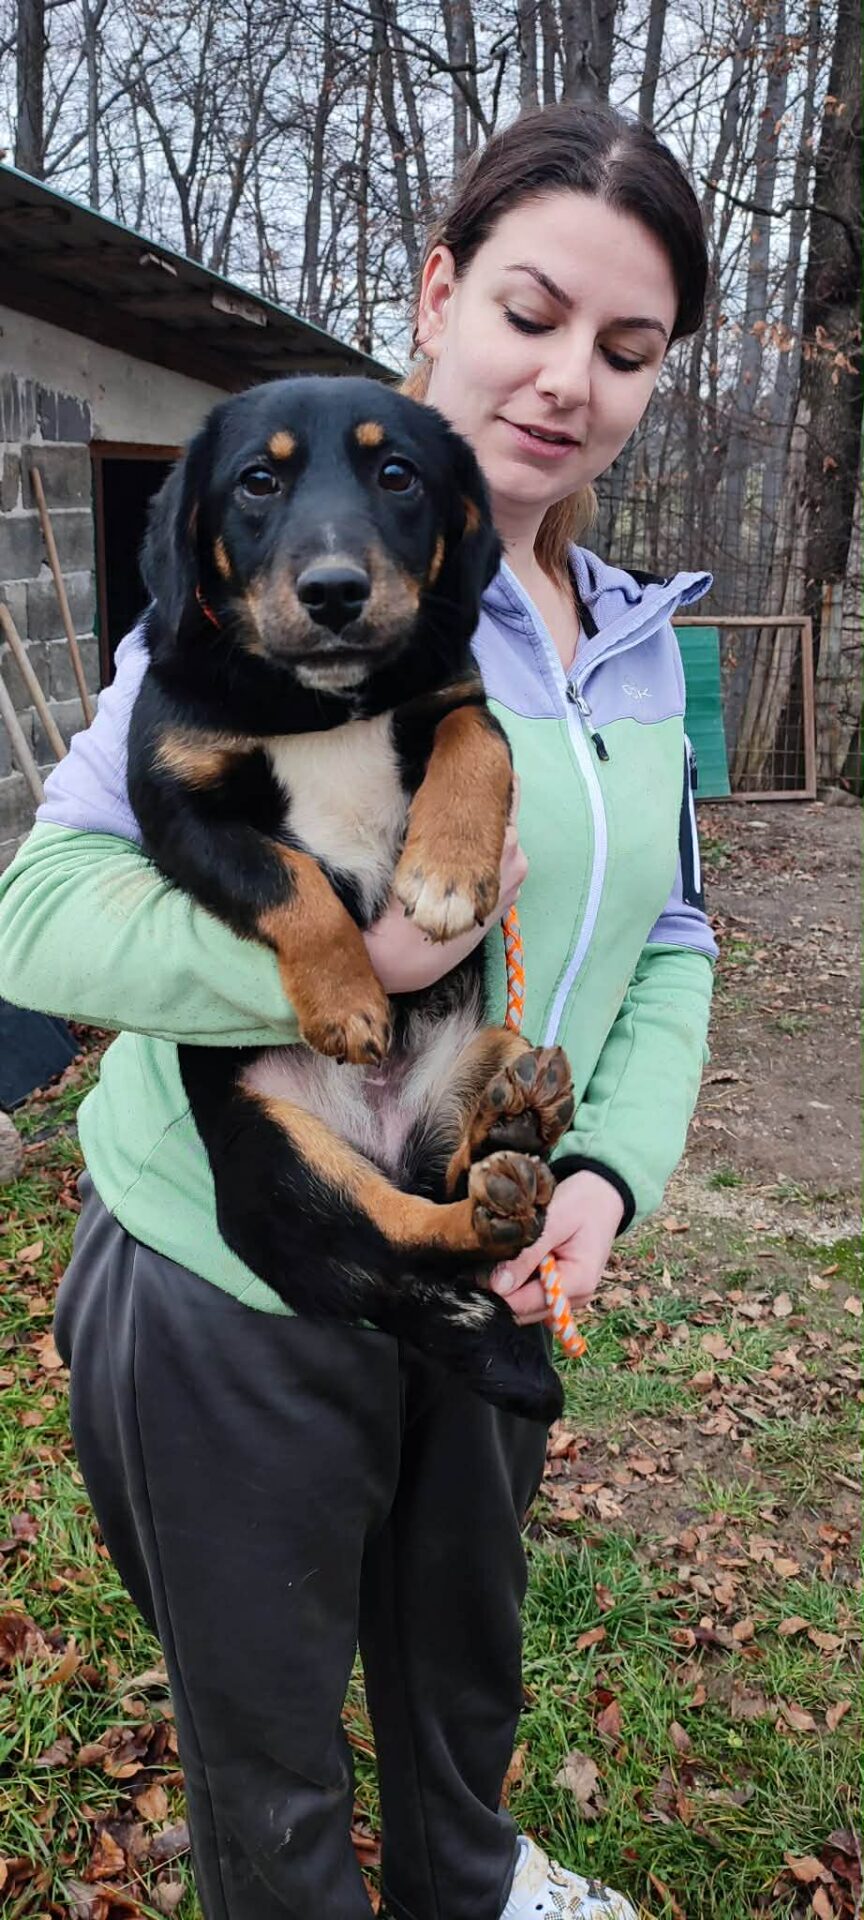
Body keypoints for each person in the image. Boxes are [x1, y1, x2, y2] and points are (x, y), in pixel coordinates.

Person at [0, 101, 717, 1920]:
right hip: (230, 1276)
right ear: (440, 291)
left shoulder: (643, 641)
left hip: (484, 1242)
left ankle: (471, 1885)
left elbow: (673, 935)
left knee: (462, 1669)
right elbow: (40, 916)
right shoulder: (273, 603)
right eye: (532, 313)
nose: (568, 379)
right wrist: (330, 961)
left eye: (628, 348)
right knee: (269, 1747)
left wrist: (605, 1176)